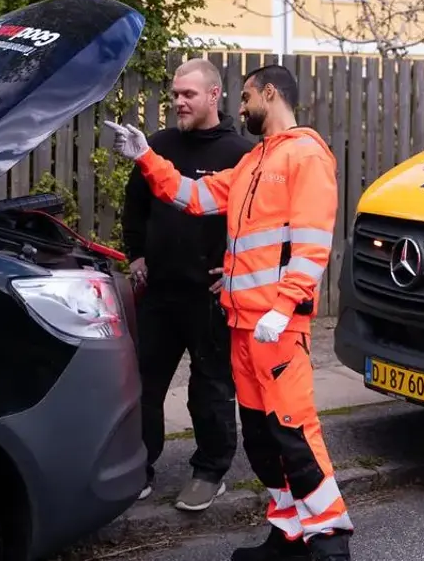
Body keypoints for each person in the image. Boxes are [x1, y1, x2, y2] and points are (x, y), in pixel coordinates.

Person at [104, 64, 353, 561]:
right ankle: (288, 535)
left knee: (293, 433)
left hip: (276, 327)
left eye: (244, 98)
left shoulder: (305, 155)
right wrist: (146, 156)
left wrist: (285, 307)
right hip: (244, 326)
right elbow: (192, 197)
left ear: (269, 93)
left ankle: (329, 541)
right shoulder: (254, 161)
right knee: (263, 440)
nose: (238, 109)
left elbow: (311, 244)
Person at [120, 58, 253, 511]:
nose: (178, 101)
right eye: (175, 93)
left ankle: (209, 471)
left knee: (210, 386)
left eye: (188, 94)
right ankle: (139, 466)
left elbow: (256, 222)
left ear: (213, 96)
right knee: (143, 383)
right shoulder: (158, 146)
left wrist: (238, 269)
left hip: (209, 296)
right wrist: (136, 253)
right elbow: (134, 205)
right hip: (159, 291)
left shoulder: (239, 154)